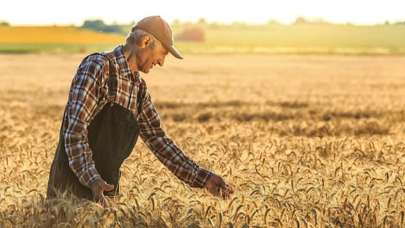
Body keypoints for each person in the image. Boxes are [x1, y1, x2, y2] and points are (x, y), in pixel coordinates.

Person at [46, 16, 234, 206]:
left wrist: (204, 178)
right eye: (163, 54)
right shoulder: (98, 67)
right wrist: (92, 179)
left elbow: (158, 140)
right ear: (145, 41)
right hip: (68, 194)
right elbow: (75, 130)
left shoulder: (139, 90)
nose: (161, 62)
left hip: (105, 195)